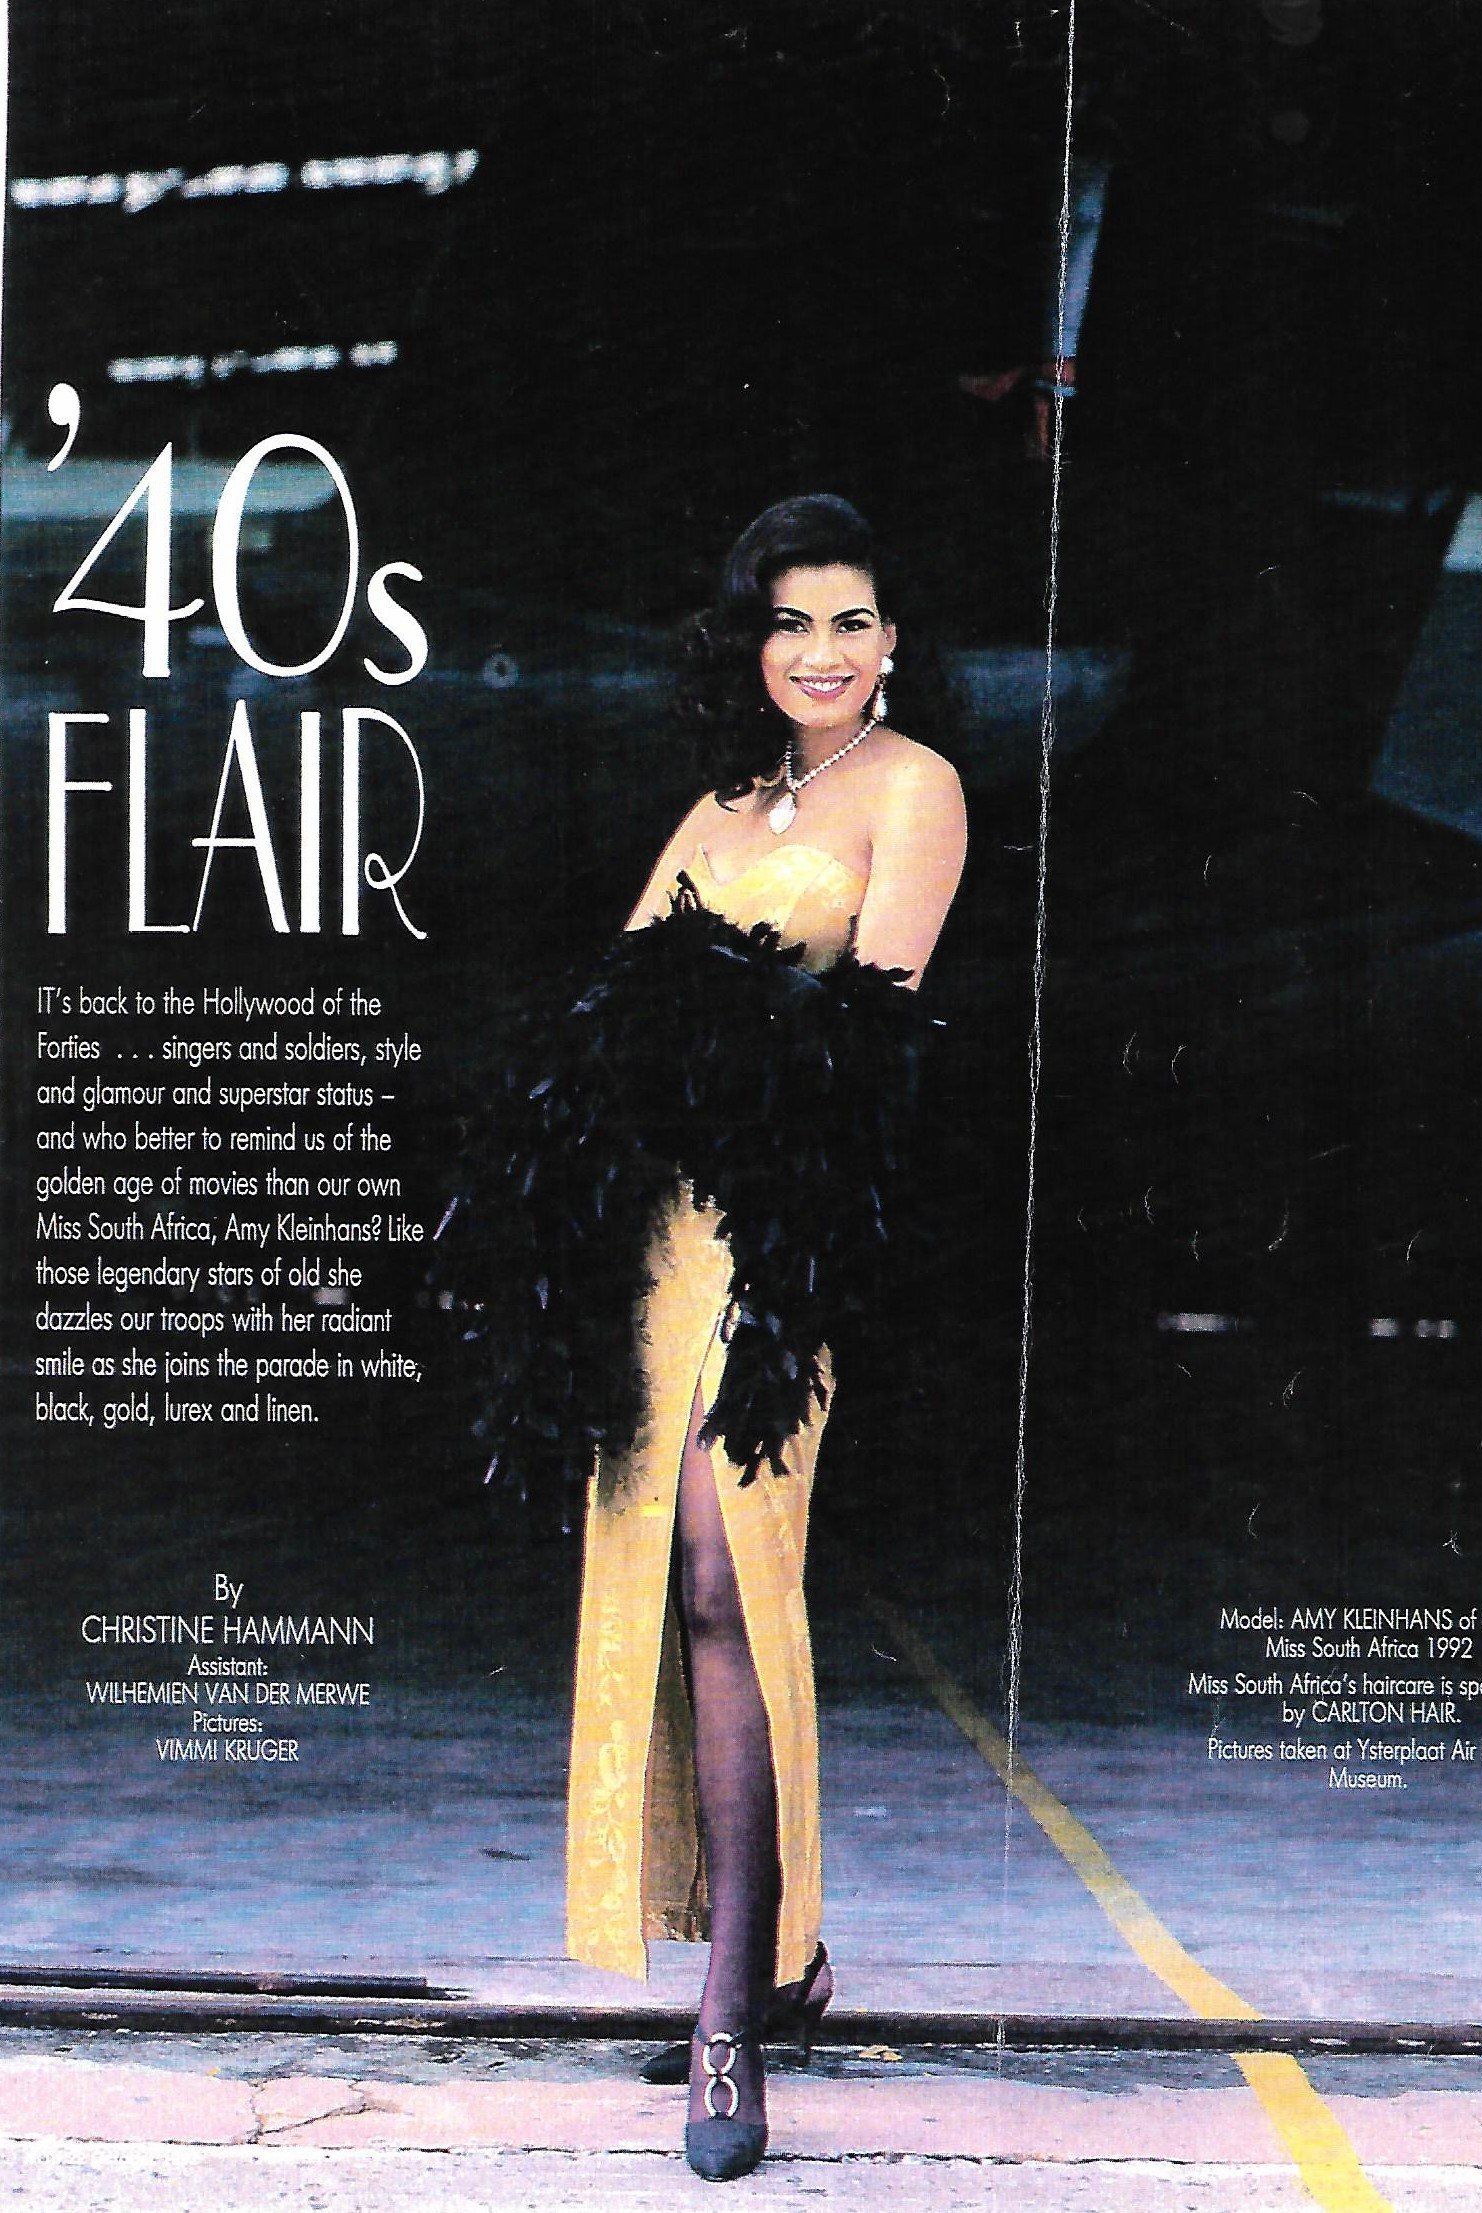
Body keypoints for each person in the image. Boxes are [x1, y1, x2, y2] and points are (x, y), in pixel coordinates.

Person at [563, 493, 966, 2180]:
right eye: (792, 621)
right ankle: (773, 1961)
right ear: (751, 640)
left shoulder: (914, 787)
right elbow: (611, 1013)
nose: (821, 651)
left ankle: (733, 2015)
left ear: (892, 639)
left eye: (851, 620)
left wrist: (700, 1021)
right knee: (665, 1577)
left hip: (778, 1234)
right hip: (662, 1234)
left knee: (732, 1573)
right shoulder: (722, 803)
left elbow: (864, 1036)